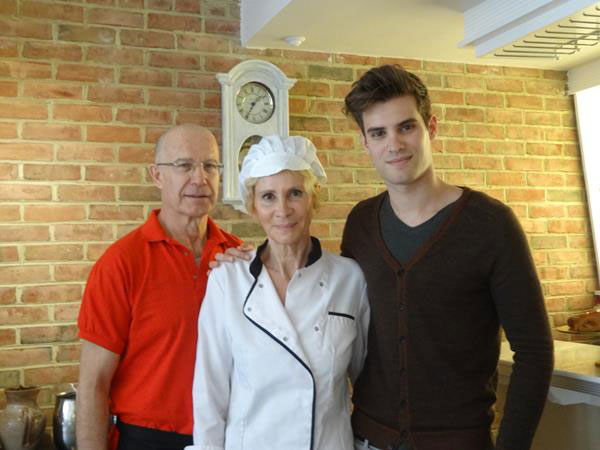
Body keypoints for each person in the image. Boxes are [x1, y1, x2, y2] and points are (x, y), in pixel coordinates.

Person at [342, 65, 554, 450]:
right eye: (378, 133)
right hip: (367, 440)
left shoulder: (491, 224)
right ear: (365, 143)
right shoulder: (359, 224)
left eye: (406, 127)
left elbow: (535, 351)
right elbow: (336, 313)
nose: (394, 144)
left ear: (431, 128)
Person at [185, 135, 370, 450]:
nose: (282, 210)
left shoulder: (350, 279)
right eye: (268, 196)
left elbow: (367, 382)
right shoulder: (227, 281)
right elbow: (209, 395)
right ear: (253, 206)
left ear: (314, 198)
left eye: (294, 193)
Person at [76, 124, 242, 450]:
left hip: (228, 435)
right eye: (184, 166)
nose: (200, 178)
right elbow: (94, 383)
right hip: (147, 440)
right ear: (156, 176)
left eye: (210, 166)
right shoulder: (121, 263)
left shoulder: (237, 259)